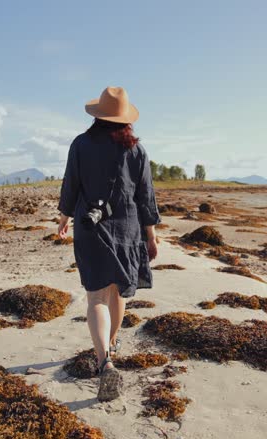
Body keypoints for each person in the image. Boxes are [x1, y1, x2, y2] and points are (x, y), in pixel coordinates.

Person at [57, 86, 161, 401]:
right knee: (118, 290)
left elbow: (71, 184)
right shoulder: (137, 151)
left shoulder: (81, 144)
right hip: (128, 229)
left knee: (96, 298)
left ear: (98, 115)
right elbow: (146, 196)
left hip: (91, 228)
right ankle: (112, 345)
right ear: (125, 118)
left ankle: (104, 362)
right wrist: (151, 235)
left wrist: (64, 217)